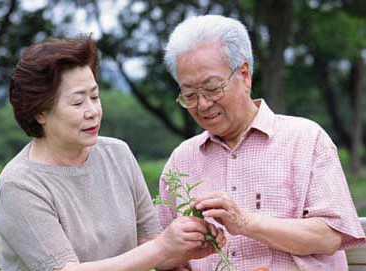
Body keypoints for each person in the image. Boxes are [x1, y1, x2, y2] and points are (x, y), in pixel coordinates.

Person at [0, 36, 226, 271]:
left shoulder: (118, 154)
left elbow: (150, 244)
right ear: (40, 113)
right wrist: (163, 248)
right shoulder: (20, 185)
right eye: (77, 102)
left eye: (94, 97)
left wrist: (185, 248)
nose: (93, 111)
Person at [157, 15, 366, 271]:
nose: (202, 104)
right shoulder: (182, 160)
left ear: (244, 75)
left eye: (212, 88)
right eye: (189, 94)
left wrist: (245, 223)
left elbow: (330, 236)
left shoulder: (306, 139)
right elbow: (165, 253)